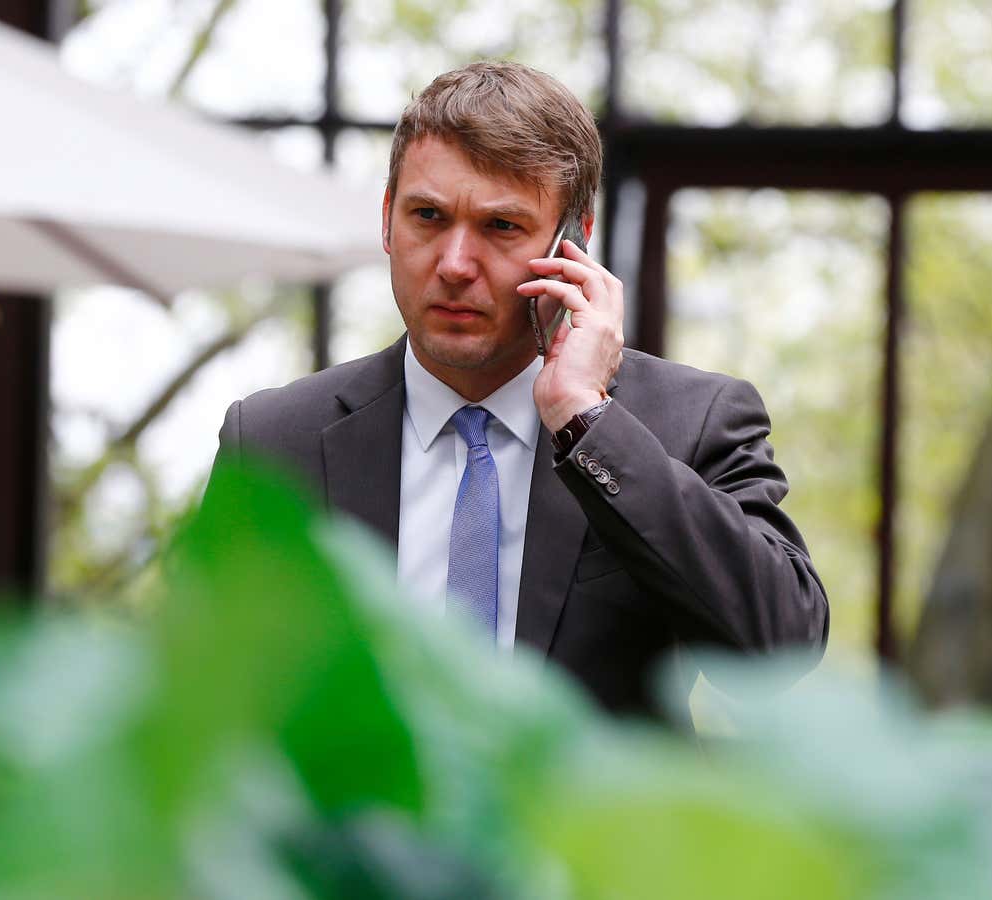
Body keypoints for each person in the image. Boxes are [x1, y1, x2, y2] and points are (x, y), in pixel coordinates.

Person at [211, 61, 827, 722]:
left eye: (501, 227)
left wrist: (588, 422)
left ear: (575, 243)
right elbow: (202, 696)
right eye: (428, 216)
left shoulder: (689, 422)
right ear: (387, 219)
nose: (453, 265)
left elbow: (780, 649)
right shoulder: (275, 440)